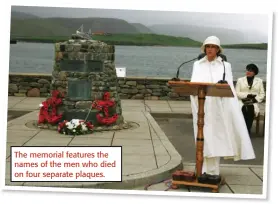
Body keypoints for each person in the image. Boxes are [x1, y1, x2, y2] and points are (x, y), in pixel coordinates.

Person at [190, 36, 255, 177]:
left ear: (218, 49)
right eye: (208, 46)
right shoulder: (197, 65)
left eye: (213, 47)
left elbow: (229, 87)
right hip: (202, 107)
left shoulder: (226, 66)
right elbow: (193, 85)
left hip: (218, 107)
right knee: (203, 138)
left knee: (216, 138)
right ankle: (201, 170)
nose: (210, 49)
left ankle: (213, 172)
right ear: (204, 48)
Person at [235, 64, 265, 134]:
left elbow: (262, 94)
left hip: (253, 102)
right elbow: (236, 93)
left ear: (254, 72)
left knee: (250, 108)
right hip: (241, 101)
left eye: (250, 71)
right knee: (243, 108)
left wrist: (254, 100)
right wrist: (247, 95)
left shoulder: (259, 81)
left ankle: (246, 131)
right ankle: (245, 132)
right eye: (247, 70)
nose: (248, 72)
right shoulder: (240, 80)